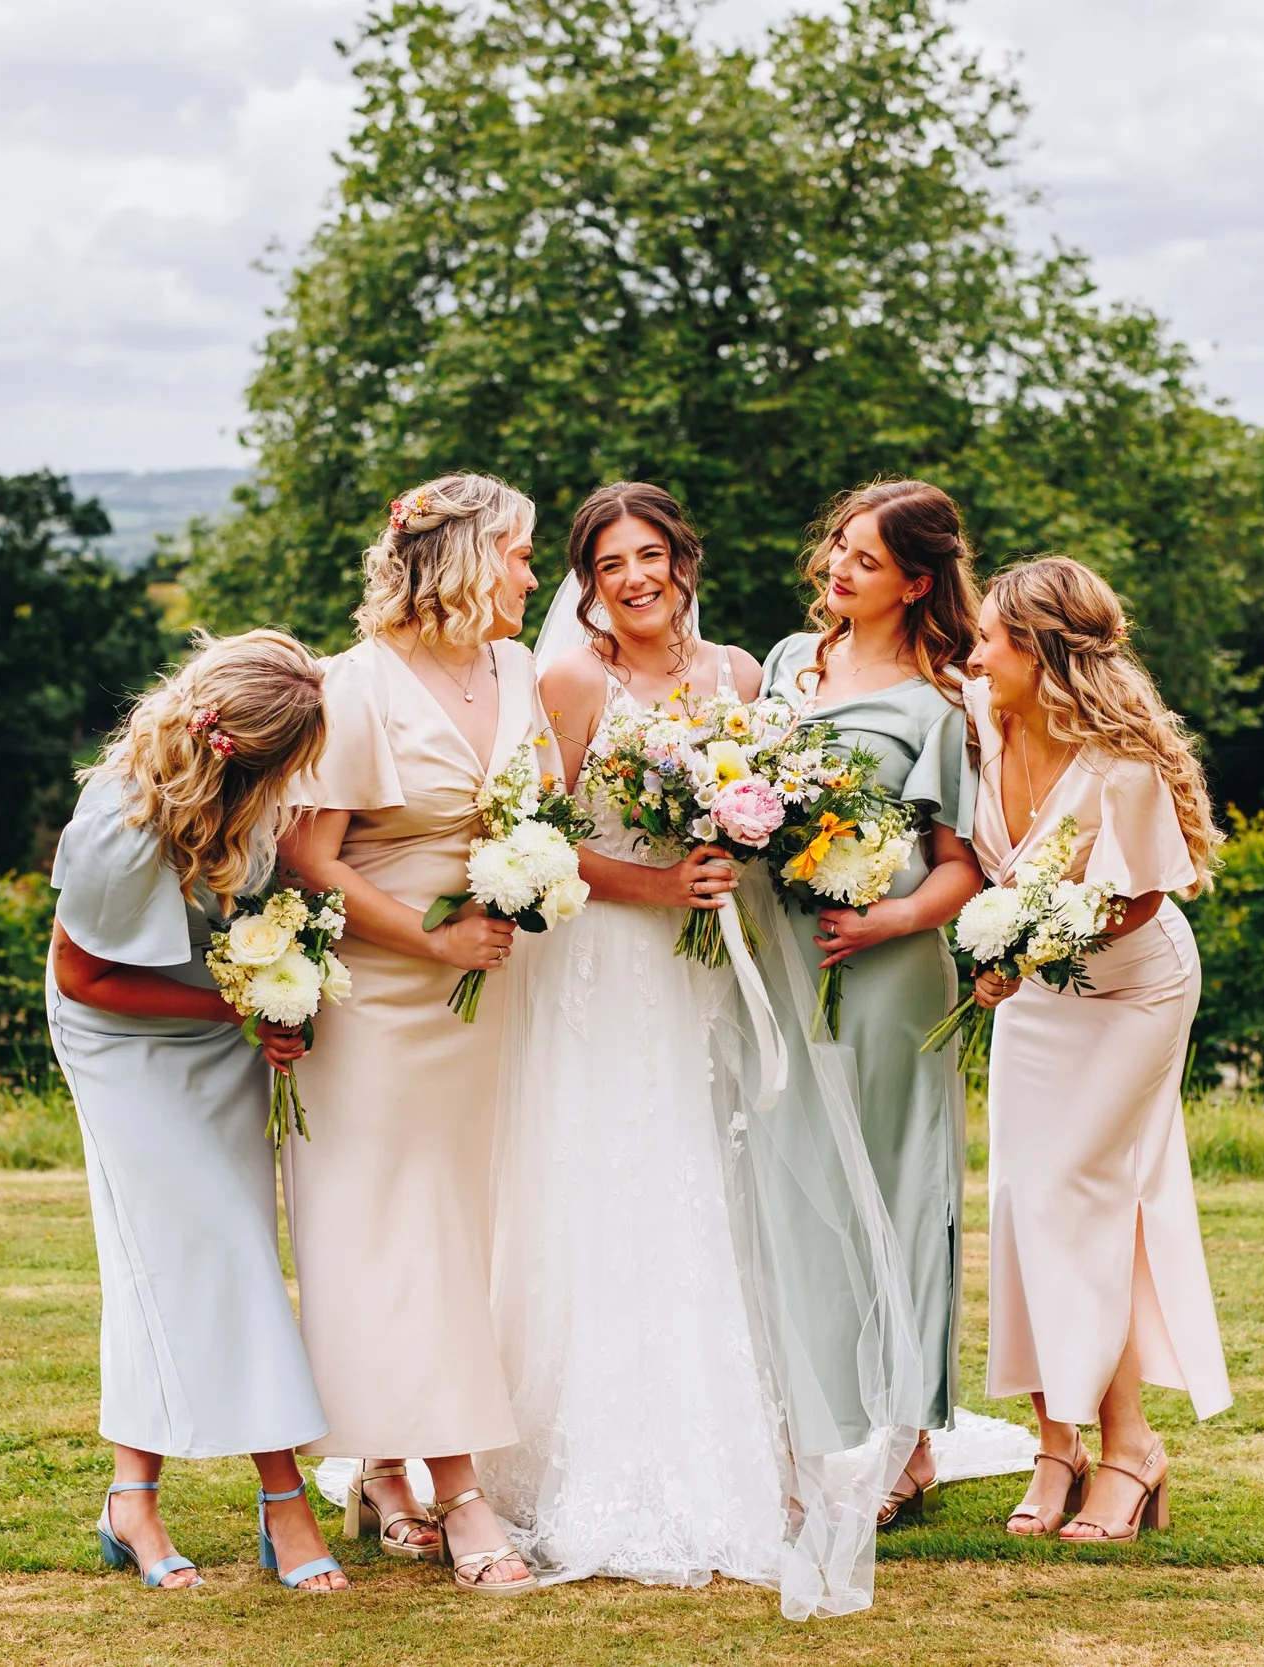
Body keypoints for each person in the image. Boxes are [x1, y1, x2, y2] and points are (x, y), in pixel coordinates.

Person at [483, 481, 785, 1592]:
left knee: (696, 1172)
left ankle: (708, 1434)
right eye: (610, 564)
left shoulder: (739, 675)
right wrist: (655, 881)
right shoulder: (571, 678)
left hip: (699, 959)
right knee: (600, 1176)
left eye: (649, 554)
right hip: (603, 959)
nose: (634, 578)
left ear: (682, 559)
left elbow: (762, 806)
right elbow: (540, 841)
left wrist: (728, 849)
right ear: (587, 582)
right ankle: (559, 1448)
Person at [278, 473, 546, 1594]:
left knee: (467, 1236)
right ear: (468, 559)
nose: (537, 576)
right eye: (523, 553)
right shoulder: (357, 687)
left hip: (493, 1004)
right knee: (400, 1236)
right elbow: (308, 855)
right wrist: (431, 942)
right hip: (382, 1000)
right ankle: (459, 1484)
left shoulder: (520, 667)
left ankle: (385, 1463)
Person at [44, 628, 345, 1593]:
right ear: (244, 749)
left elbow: (258, 913)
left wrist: (280, 998)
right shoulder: (119, 822)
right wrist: (243, 1003)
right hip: (122, 1042)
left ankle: (130, 1499)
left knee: (182, 1256)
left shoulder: (246, 796)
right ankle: (283, 1503)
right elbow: (84, 976)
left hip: (217, 1024)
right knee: (228, 1247)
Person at [962, 554, 1233, 1543]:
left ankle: (1130, 1445)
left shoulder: (1117, 759)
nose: (975, 650)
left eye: (992, 636)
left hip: (1131, 989)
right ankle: (1054, 1441)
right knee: (1023, 1200)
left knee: (1086, 1193)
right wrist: (999, 959)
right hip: (1038, 1000)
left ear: (1038, 649)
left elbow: (1139, 897)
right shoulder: (982, 722)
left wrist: (1025, 942)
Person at [759, 480, 985, 1524]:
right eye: (836, 548)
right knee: (793, 1184)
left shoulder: (938, 705)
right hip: (780, 964)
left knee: (893, 1185)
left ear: (917, 582)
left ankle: (905, 1439)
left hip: (888, 972)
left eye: (863, 559)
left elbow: (960, 870)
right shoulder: (781, 667)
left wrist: (884, 922)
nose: (837, 569)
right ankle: (803, 1414)